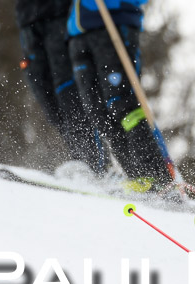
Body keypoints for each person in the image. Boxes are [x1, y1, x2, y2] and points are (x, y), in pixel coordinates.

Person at [66, 0, 174, 193]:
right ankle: (137, 178)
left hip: (114, 25)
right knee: (97, 112)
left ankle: (155, 177)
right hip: (79, 34)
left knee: (121, 103)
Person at [15, 0, 107, 174]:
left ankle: (96, 165)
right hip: (27, 20)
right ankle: (81, 161)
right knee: (47, 99)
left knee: (69, 93)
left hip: (61, 15)